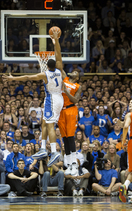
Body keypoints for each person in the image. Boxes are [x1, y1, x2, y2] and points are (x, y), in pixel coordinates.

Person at [3, 30, 65, 167]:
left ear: (46, 66)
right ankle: (43, 148)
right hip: (59, 98)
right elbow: (58, 54)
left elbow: (27, 77)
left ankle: (54, 151)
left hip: (52, 99)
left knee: (50, 125)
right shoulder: (60, 69)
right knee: (44, 122)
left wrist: (13, 78)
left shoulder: (45, 74)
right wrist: (56, 42)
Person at [54, 28, 82, 176]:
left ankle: (73, 163)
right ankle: (68, 162)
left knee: (71, 136)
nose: (74, 71)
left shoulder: (78, 86)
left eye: (77, 72)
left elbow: (76, 100)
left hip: (71, 109)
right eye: (74, 70)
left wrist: (65, 91)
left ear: (77, 78)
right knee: (64, 137)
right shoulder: (64, 77)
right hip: (61, 110)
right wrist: (56, 42)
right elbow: (60, 64)